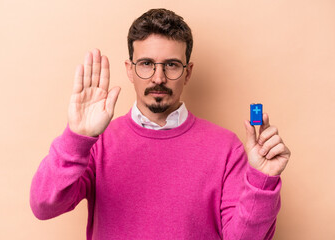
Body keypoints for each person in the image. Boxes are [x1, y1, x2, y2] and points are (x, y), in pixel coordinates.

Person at [30, 8, 291, 240]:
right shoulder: (98, 143)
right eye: (146, 64)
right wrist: (76, 138)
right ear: (130, 70)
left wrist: (262, 181)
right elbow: (44, 206)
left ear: (187, 72)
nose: (158, 78)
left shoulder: (226, 147)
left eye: (171, 65)